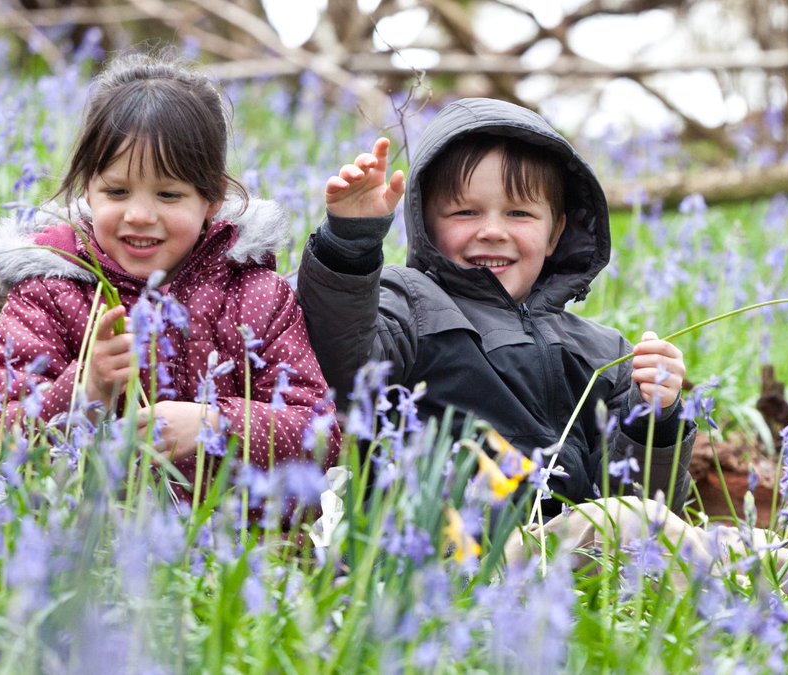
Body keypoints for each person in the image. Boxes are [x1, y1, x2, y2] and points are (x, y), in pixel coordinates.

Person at [296, 98, 694, 515]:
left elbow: (642, 506)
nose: (491, 231)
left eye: (519, 213)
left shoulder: (603, 353)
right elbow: (338, 366)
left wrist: (656, 417)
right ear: (425, 224)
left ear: (555, 232)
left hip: (563, 558)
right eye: (465, 212)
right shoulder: (409, 302)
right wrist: (350, 244)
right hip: (448, 546)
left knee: (738, 546)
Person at [0, 53, 339, 492]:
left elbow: (321, 436)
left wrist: (216, 425)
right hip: (93, 545)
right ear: (88, 188)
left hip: (241, 550)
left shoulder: (256, 294)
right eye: (117, 191)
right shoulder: (51, 291)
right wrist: (86, 390)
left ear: (211, 198)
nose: (140, 215)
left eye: (168, 194)